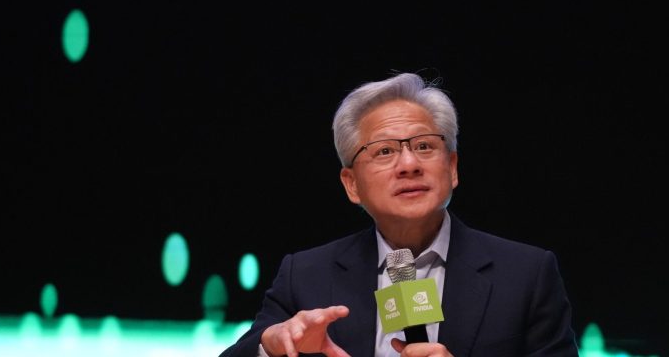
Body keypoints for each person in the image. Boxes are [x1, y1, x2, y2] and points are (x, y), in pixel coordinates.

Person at [220, 72, 579, 357]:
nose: (409, 164)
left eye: (424, 146)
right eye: (384, 151)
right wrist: (271, 346)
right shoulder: (304, 275)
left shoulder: (527, 275)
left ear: (452, 167)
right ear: (352, 185)